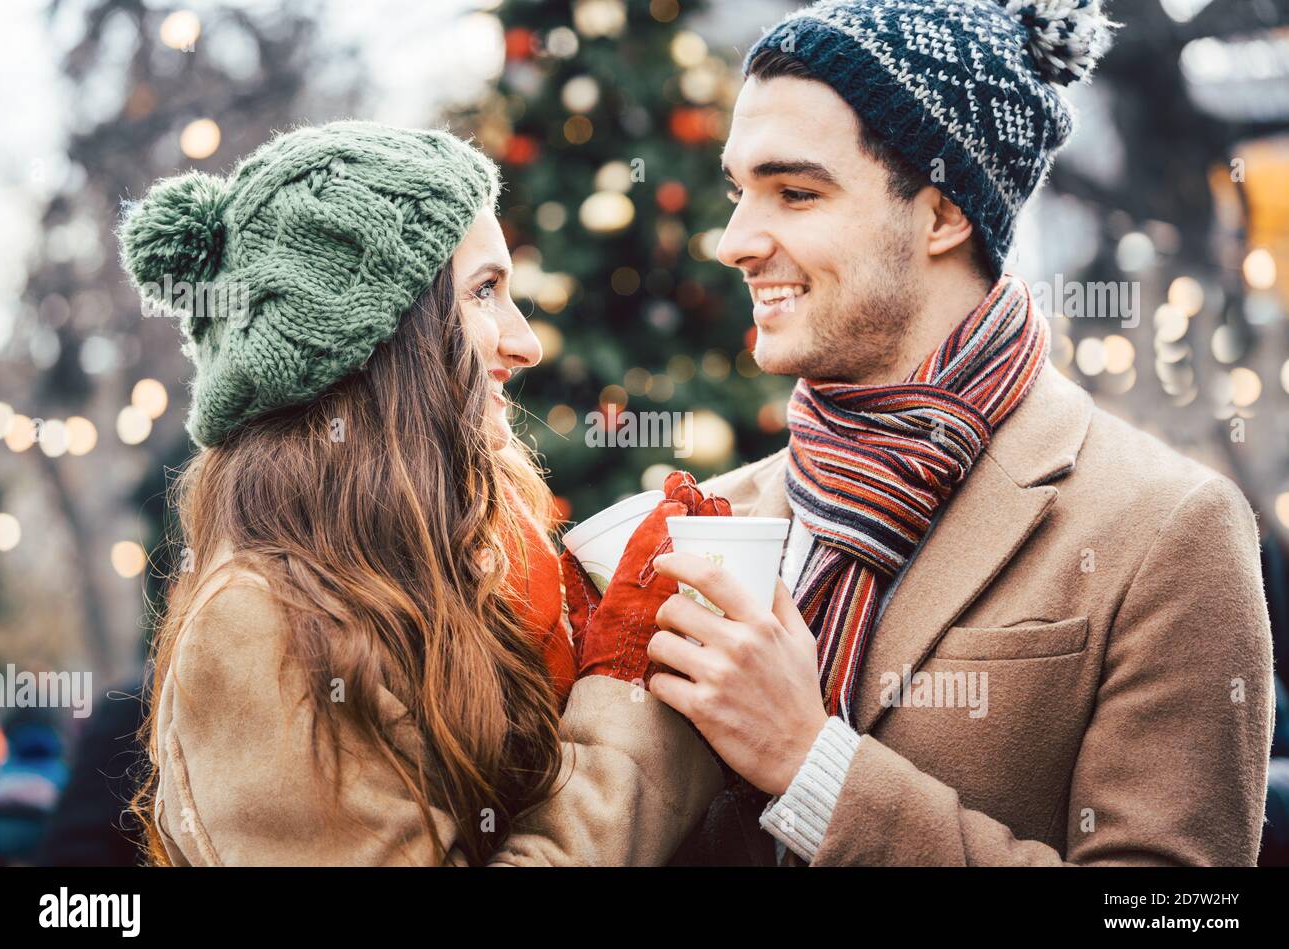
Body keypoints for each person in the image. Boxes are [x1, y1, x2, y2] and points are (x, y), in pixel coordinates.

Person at [646, 0, 1275, 866]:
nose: (735, 241)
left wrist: (813, 766)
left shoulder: (1168, 529)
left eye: (794, 192)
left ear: (943, 215)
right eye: (737, 191)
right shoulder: (715, 511)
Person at [117, 121, 722, 866]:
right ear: (374, 343)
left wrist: (611, 643)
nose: (526, 342)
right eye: (485, 292)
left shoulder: (490, 567)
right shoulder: (262, 624)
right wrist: (628, 704)